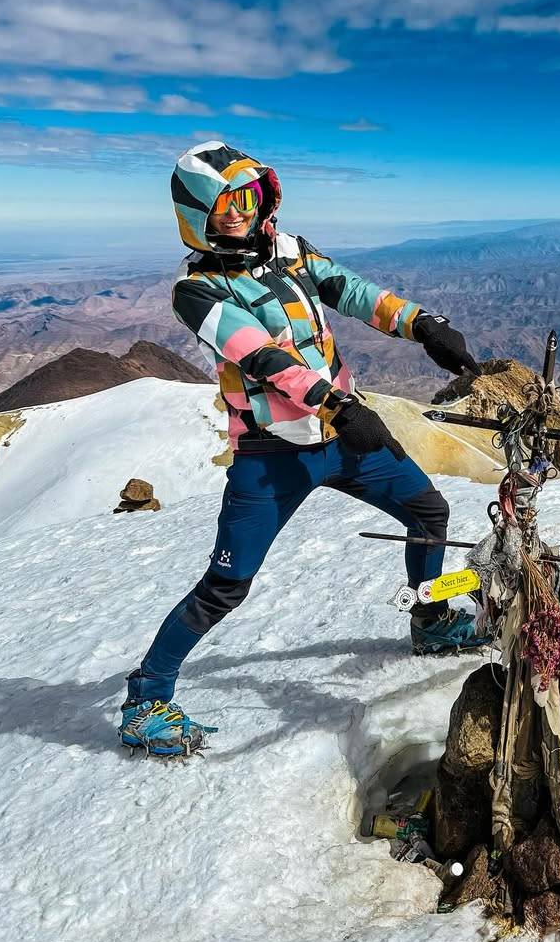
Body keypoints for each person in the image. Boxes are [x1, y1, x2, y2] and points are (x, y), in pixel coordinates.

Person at [119, 141, 488, 756]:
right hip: (272, 455)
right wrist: (339, 405)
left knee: (429, 513)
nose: (236, 215)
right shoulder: (198, 292)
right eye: (221, 206)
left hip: (342, 437)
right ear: (195, 215)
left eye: (244, 198)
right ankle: (145, 697)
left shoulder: (290, 251)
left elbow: (353, 292)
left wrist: (422, 323)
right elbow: (262, 357)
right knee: (226, 587)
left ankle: (430, 620)